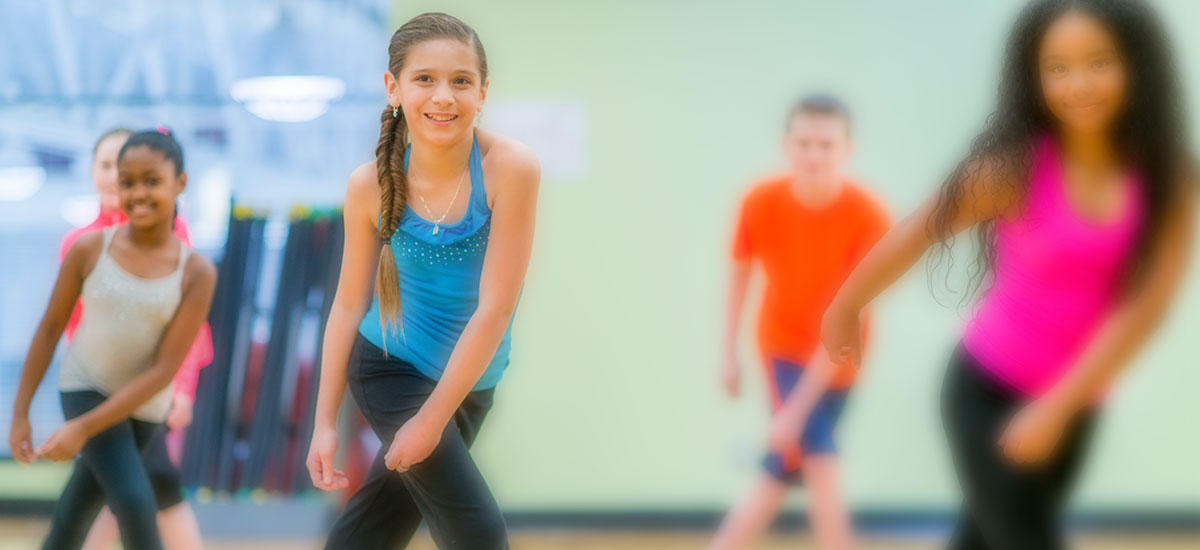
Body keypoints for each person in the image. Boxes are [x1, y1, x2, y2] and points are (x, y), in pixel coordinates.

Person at [820, 1, 1196, 548]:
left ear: (1137, 64)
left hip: (1075, 406)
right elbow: (918, 232)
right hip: (986, 393)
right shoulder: (1013, 169)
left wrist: (1059, 408)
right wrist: (847, 305)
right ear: (1034, 77)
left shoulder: (1170, 179)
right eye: (1057, 67)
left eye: (1099, 61)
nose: (1079, 84)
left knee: (982, 539)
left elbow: (1145, 309)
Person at [305, 12, 540, 549]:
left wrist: (434, 420)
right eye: (424, 79)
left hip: (472, 381)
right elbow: (346, 306)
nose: (444, 97)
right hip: (392, 370)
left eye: (461, 80)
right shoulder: (368, 185)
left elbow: (496, 309)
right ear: (393, 87)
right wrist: (324, 424)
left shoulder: (511, 168)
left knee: (378, 525)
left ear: (483, 93)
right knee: (478, 532)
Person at [9, 128, 218, 550]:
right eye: (126, 181)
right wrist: (20, 413)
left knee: (78, 507)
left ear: (181, 182)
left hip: (145, 403)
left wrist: (81, 431)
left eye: (152, 181)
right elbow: (50, 329)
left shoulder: (197, 271)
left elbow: (165, 368)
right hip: (86, 387)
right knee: (136, 501)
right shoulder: (86, 249)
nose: (137, 192)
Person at [712, 95, 890, 550]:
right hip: (782, 349)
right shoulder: (759, 201)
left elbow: (849, 321)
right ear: (786, 144)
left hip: (840, 358)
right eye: (804, 142)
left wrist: (791, 413)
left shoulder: (869, 215)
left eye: (826, 145)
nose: (814, 154)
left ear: (847, 149)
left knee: (781, 468)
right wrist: (728, 353)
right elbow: (739, 275)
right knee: (820, 460)